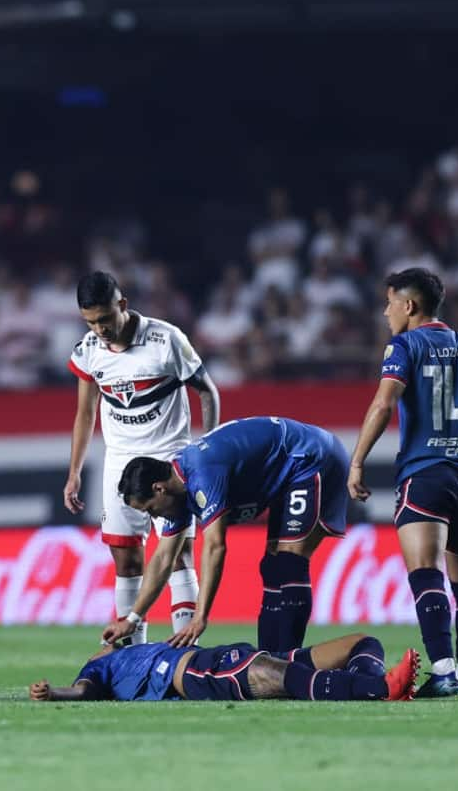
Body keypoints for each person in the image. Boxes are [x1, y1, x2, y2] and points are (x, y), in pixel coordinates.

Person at [347, 268, 458, 697]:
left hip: (426, 470)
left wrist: (357, 461)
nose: (385, 313)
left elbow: (384, 403)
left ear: (409, 305)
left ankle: (441, 671)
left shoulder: (404, 345)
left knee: (425, 572)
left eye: (389, 304)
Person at [103, 416, 349, 654]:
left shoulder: (202, 473)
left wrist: (200, 617)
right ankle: (272, 657)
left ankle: (288, 660)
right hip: (288, 472)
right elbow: (163, 558)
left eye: (150, 509)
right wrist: (132, 618)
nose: (155, 517)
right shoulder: (178, 491)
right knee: (273, 567)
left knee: (289, 563)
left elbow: (215, 546)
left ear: (159, 488)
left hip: (311, 457)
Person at [63, 271, 220, 642]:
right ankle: (134, 659)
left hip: (168, 459)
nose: (99, 329)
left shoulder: (166, 339)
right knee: (126, 561)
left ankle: (185, 657)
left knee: (179, 555)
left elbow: (208, 391)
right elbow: (85, 413)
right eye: (90, 322)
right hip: (120, 463)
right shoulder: (88, 351)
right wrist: (74, 472)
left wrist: (205, 450)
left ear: (122, 305)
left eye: (104, 319)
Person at [28, 632, 419, 703]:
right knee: (272, 675)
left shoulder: (128, 651)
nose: (105, 647)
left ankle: (365, 679)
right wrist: (53, 693)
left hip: (214, 656)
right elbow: (82, 692)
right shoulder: (99, 670)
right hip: (195, 674)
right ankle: (380, 689)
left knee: (360, 643)